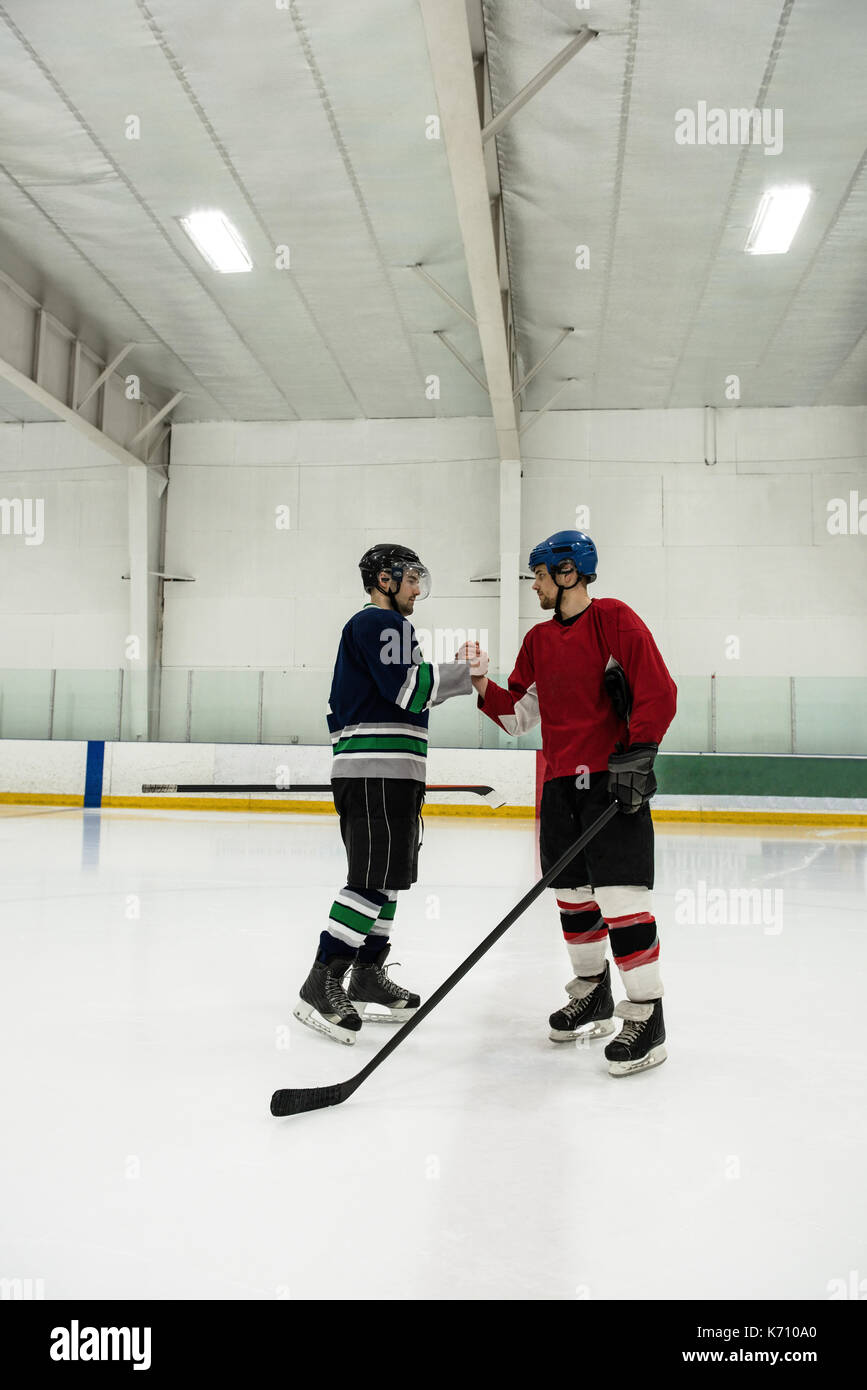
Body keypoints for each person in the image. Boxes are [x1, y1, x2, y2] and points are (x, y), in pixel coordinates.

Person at [462, 530, 677, 1076]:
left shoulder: (614, 619)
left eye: (538, 574)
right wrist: (480, 680)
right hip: (560, 785)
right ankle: (592, 993)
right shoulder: (537, 641)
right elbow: (519, 717)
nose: (533, 584)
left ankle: (647, 1017)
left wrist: (640, 754)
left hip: (612, 780)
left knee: (622, 899)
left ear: (567, 573)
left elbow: (658, 690)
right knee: (573, 898)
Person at [295, 543, 484, 1044]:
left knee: (389, 879)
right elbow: (410, 690)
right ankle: (324, 978)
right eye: (412, 578)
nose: (418, 589)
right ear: (385, 578)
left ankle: (367, 976)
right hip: (374, 774)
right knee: (371, 880)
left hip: (393, 774)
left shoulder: (394, 629)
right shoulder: (380, 625)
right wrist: (468, 673)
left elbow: (403, 691)